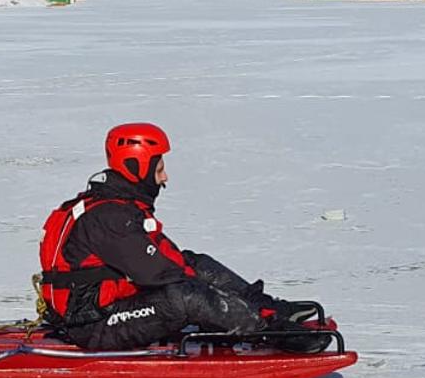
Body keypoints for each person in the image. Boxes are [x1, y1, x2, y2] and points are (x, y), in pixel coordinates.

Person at [37, 123, 332, 353]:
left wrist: (220, 289)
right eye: (159, 168)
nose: (164, 177)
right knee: (183, 297)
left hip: (99, 312)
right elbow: (160, 274)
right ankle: (268, 329)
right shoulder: (111, 217)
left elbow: (172, 261)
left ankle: (265, 308)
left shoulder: (113, 206)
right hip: (92, 326)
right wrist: (210, 298)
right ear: (138, 166)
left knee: (194, 263)